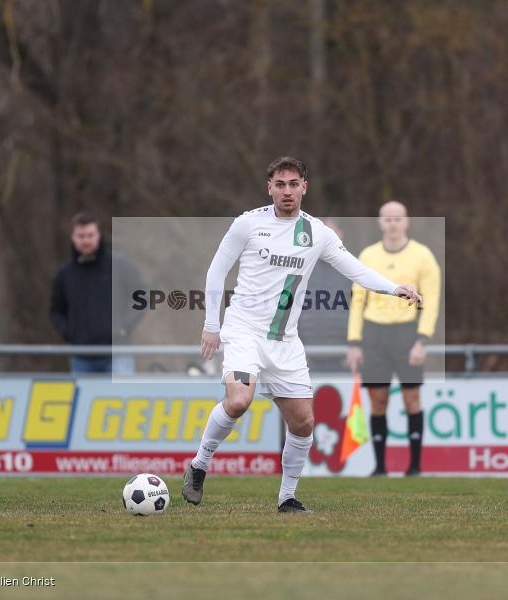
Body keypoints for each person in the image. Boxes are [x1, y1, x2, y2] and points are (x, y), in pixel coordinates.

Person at [184, 157, 422, 513]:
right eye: (280, 184)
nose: (287, 191)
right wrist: (212, 326)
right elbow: (216, 271)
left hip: (285, 341)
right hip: (244, 331)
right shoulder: (247, 224)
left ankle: (287, 498)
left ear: (304, 187)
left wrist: (393, 288)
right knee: (238, 401)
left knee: (304, 422)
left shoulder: (318, 234)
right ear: (270, 188)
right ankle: (200, 464)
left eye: (294, 184)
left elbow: (355, 269)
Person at [345, 201, 441, 477]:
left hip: (407, 334)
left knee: (412, 399)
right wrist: (354, 342)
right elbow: (357, 301)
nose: (393, 224)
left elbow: (431, 302)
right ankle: (380, 468)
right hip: (375, 335)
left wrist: (422, 339)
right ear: (380, 222)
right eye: (387, 219)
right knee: (378, 400)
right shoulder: (368, 255)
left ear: (407, 221)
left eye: (398, 219)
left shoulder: (422, 256)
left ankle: (414, 467)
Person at [49, 212, 145, 373]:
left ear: (99, 236)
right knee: (84, 398)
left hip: (118, 353)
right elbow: (56, 309)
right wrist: (69, 332)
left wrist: (125, 326)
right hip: (81, 357)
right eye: (81, 236)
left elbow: (143, 297)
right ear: (73, 238)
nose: (86, 240)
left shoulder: (120, 266)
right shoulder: (65, 274)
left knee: (122, 398)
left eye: (90, 235)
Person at [297, 218, 351, 372]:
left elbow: (361, 314)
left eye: (332, 232)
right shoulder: (301, 269)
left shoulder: (354, 269)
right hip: (307, 359)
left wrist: (356, 346)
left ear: (341, 234)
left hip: (344, 358)